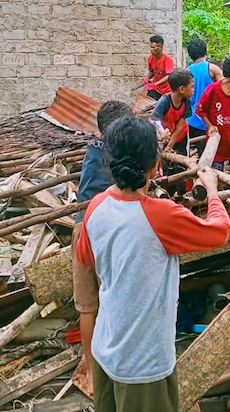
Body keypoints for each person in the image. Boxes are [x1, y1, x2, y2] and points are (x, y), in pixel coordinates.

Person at [76, 116, 230, 412]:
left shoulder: (95, 207)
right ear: (154, 166)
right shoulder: (162, 216)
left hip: (106, 350)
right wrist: (211, 189)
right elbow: (219, 231)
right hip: (143, 365)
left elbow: (87, 258)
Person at [72, 100, 133, 394]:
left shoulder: (93, 149)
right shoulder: (119, 155)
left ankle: (94, 374)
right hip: (104, 230)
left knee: (88, 307)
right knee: (112, 300)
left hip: (81, 227)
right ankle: (116, 366)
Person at [186, 38, 223, 153]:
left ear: (190, 55)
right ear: (205, 51)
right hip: (207, 120)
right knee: (207, 154)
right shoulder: (212, 69)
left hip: (190, 120)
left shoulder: (186, 71)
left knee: (188, 150)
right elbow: (224, 90)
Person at [151, 69, 194, 156]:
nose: (193, 90)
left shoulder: (186, 101)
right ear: (182, 89)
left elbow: (180, 126)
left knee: (181, 163)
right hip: (165, 137)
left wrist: (170, 146)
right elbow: (154, 120)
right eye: (192, 86)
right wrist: (163, 134)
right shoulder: (164, 102)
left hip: (181, 136)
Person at [143, 35, 174, 100]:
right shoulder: (151, 58)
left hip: (166, 91)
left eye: (153, 47)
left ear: (160, 47)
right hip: (155, 90)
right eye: (150, 47)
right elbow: (152, 71)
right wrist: (147, 78)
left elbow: (169, 76)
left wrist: (155, 84)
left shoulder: (167, 59)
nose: (151, 50)